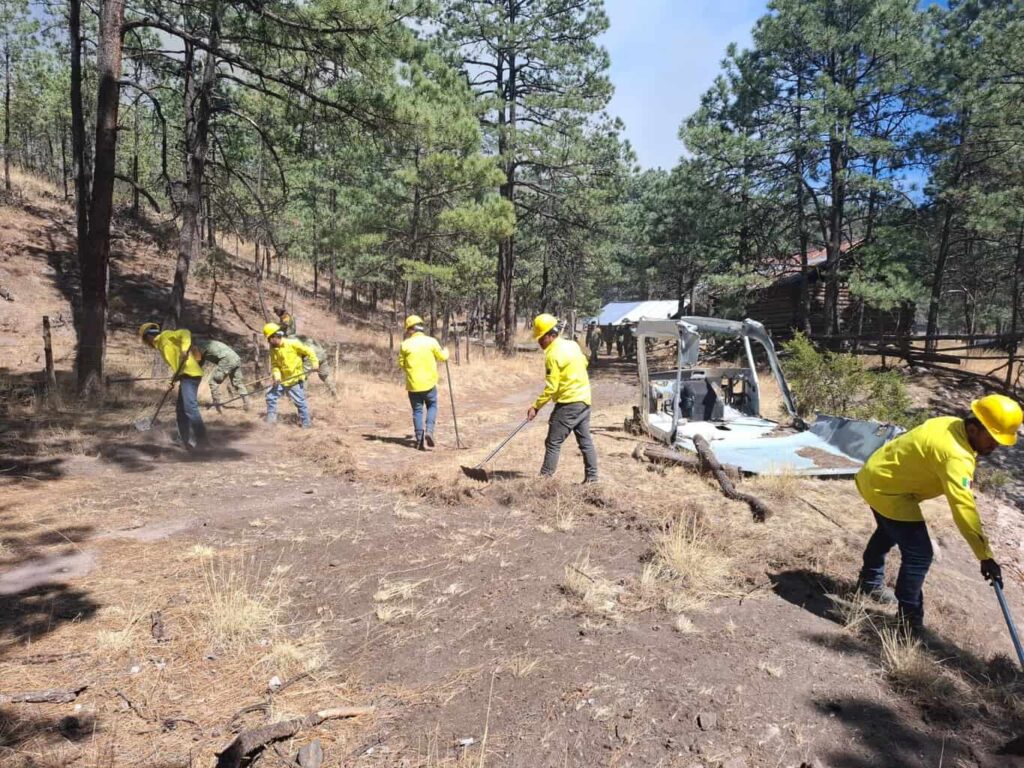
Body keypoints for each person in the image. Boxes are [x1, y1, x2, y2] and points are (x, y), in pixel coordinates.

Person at [856, 394, 1022, 634]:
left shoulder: (949, 423)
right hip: (888, 491)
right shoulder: (956, 456)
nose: (995, 446)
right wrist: (985, 556)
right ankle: (908, 621)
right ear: (974, 429)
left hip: (874, 476)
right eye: (992, 438)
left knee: (888, 530)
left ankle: (870, 582)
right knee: (920, 554)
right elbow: (963, 508)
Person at [526, 313, 598, 483]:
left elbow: (552, 387)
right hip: (584, 400)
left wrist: (536, 407)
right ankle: (593, 480)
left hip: (568, 403)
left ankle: (544, 481)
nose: (539, 342)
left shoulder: (552, 355)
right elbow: (585, 362)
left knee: (553, 442)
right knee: (585, 441)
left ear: (551, 335)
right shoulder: (572, 345)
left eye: (541, 338)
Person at [138, 322, 207, 450]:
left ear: (148, 337)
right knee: (181, 410)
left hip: (190, 375)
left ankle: (203, 442)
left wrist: (185, 350)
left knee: (190, 408)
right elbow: (177, 364)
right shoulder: (161, 346)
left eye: (145, 340)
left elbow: (185, 332)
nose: (147, 343)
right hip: (185, 376)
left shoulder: (165, 336)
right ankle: (183, 440)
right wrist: (174, 380)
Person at [398, 314, 449, 450]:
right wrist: (446, 352)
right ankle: (430, 431)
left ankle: (419, 438)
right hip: (429, 384)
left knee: (417, 411)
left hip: (413, 385)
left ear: (410, 330)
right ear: (421, 327)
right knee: (432, 405)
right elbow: (443, 357)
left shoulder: (405, 345)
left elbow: (401, 364)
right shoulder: (431, 341)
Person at [264, 323, 318, 428]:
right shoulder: (273, 349)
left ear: (275, 336)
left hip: (295, 379)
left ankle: (306, 425)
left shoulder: (293, 343)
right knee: (270, 396)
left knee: (299, 402)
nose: (268, 341)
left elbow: (310, 351)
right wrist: (277, 376)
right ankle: (270, 424)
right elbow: (275, 365)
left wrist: (315, 364)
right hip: (282, 380)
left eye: (269, 338)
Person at [197, 338, 249, 412]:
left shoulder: (197, 345)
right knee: (238, 383)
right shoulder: (205, 342)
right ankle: (247, 404)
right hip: (236, 358)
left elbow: (198, 362)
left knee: (213, 382)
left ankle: (216, 406)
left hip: (226, 359)